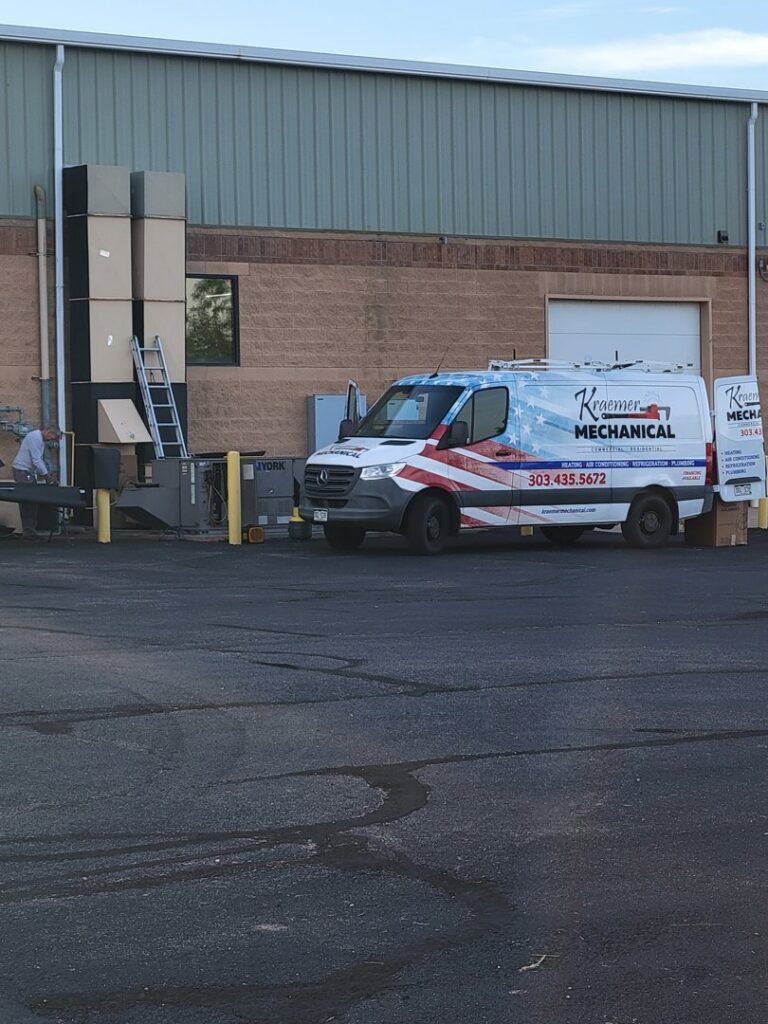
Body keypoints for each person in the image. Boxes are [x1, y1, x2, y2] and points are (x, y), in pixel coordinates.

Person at [11, 426, 60, 540]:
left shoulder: (38, 439)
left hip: (26, 471)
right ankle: (29, 532)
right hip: (22, 471)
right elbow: (36, 459)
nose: (52, 440)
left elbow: (37, 460)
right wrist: (47, 476)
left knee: (31, 501)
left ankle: (30, 531)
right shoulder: (35, 437)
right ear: (48, 432)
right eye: (53, 437)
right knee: (27, 501)